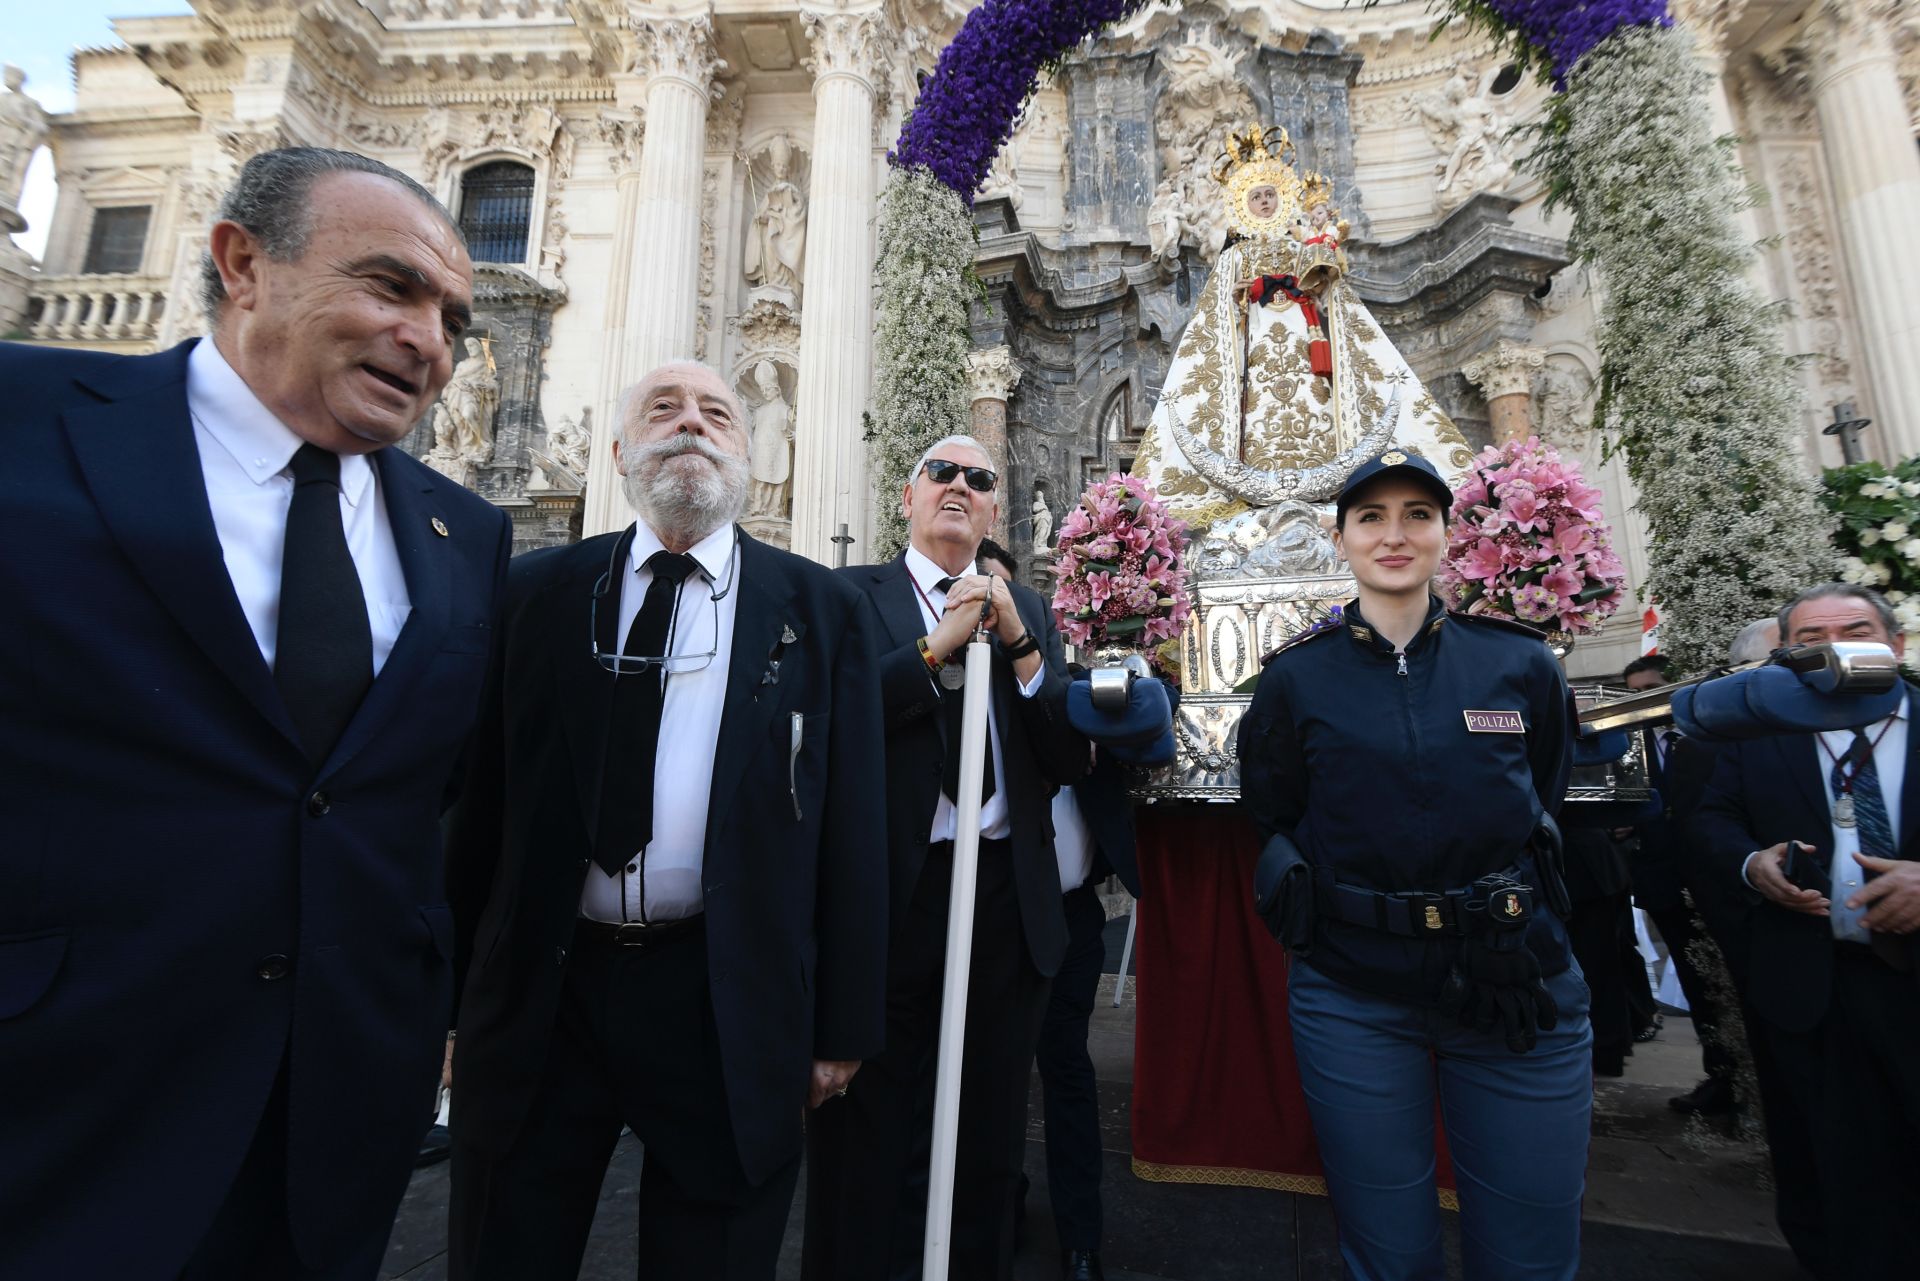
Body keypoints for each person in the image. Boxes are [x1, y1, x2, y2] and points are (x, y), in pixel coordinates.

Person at [0, 146, 504, 1280]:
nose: (429, 340)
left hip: (330, 1137)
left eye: (454, 319)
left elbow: (434, 803)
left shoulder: (463, 535)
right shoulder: (23, 419)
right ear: (243, 264)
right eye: (391, 286)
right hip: (54, 1107)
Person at [442, 360, 887, 1280]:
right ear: (618, 453)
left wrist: (842, 1025)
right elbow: (478, 805)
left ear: (751, 453)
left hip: (721, 994)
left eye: (716, 412)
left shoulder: (824, 611)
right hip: (545, 992)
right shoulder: (535, 595)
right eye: (664, 408)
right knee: (506, 1247)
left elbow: (853, 832)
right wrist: (446, 1003)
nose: (692, 424)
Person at [1238, 449, 1591, 1281]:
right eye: (1371, 517)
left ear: (1446, 532)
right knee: (1389, 1255)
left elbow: (1544, 790)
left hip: (1515, 984)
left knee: (1531, 1254)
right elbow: (1277, 811)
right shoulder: (1296, 678)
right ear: (1340, 538)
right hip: (1356, 991)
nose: (1394, 534)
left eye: (1416, 515)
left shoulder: (1520, 665)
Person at [804, 437, 1089, 1281]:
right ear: (909, 496)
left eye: (980, 479)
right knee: (868, 1134)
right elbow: (843, 714)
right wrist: (942, 643)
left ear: (996, 509)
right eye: (942, 473)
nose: (960, 487)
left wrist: (1021, 648)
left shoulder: (1028, 609)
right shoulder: (852, 596)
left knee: (989, 1133)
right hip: (896, 897)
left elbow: (1068, 756)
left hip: (1005, 900)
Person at [1692, 583, 1920, 1279]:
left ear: (1896, 644)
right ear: (1786, 656)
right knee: (1832, 1170)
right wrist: (1749, 861)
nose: (1834, 649)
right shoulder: (1755, 730)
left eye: (1855, 629)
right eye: (1810, 640)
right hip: (1812, 988)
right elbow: (1708, 820)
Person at [979, 541, 1139, 1281]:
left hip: (1070, 918)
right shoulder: (965, 702)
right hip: (991, 911)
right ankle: (997, 1206)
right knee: (992, 1077)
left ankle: (1082, 1237)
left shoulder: (1071, 688)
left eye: (1009, 599)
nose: (1000, 611)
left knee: (1065, 1069)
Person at [1618, 654, 1737, 1112]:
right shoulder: (1632, 745)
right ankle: (1720, 1077)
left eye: (1654, 688)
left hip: (1721, 878)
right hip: (1664, 882)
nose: (1647, 700)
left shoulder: (1712, 735)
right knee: (1696, 982)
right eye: (1635, 694)